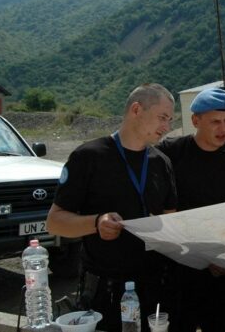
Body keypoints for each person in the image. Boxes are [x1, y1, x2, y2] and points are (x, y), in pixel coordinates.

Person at [46, 83, 178, 332]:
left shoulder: (162, 163)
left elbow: (171, 220)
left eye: (170, 120)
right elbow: (54, 222)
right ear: (136, 109)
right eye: (162, 117)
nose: (167, 127)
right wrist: (96, 223)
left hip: (154, 289)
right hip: (104, 292)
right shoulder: (88, 157)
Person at [157, 87, 225, 332]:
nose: (223, 129)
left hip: (223, 273)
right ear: (195, 121)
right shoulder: (170, 152)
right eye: (215, 122)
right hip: (180, 271)